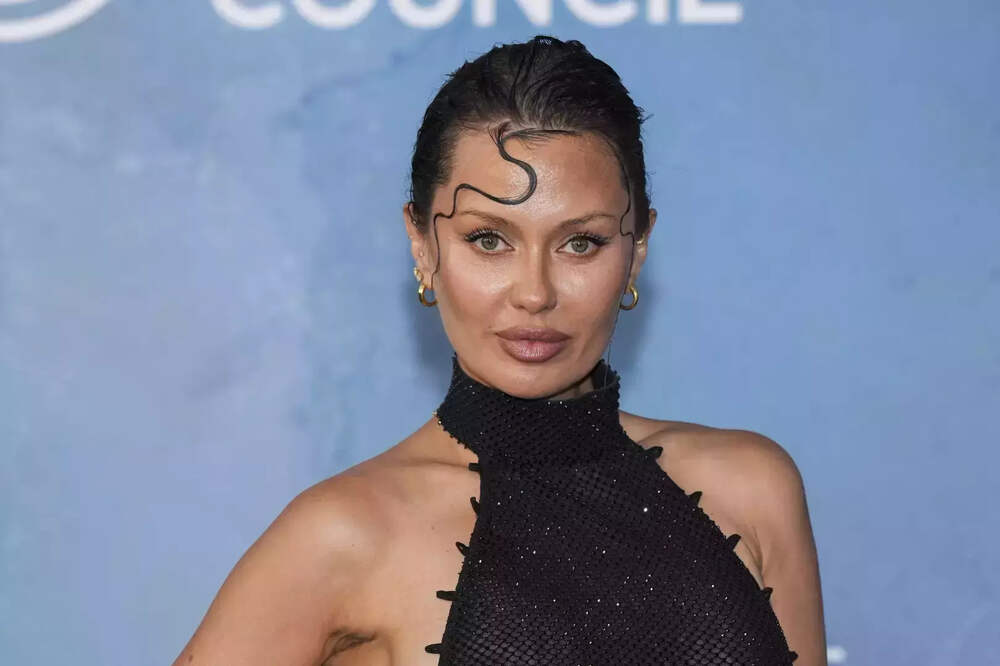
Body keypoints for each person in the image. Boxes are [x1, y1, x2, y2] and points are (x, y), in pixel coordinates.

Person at [172, 35, 826, 666]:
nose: (535, 293)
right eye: (489, 239)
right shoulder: (345, 533)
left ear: (637, 250)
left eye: (581, 243)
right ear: (423, 245)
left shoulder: (752, 489)